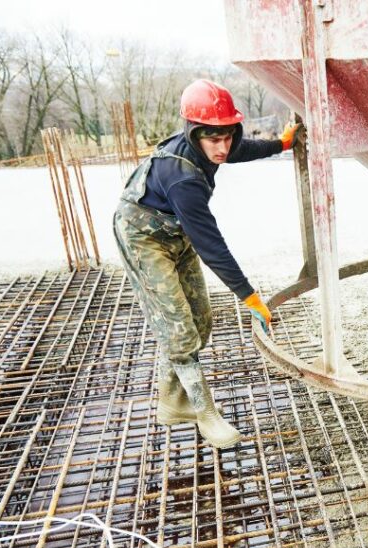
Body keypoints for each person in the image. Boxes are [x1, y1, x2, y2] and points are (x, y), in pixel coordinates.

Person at [113, 78, 300, 448]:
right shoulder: (182, 177)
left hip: (174, 231)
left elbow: (241, 150)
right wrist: (248, 296)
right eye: (214, 139)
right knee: (179, 328)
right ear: (194, 133)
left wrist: (281, 144)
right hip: (143, 239)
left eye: (227, 135)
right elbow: (211, 244)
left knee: (201, 319)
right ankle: (203, 413)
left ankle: (171, 402)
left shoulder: (214, 146)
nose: (223, 146)